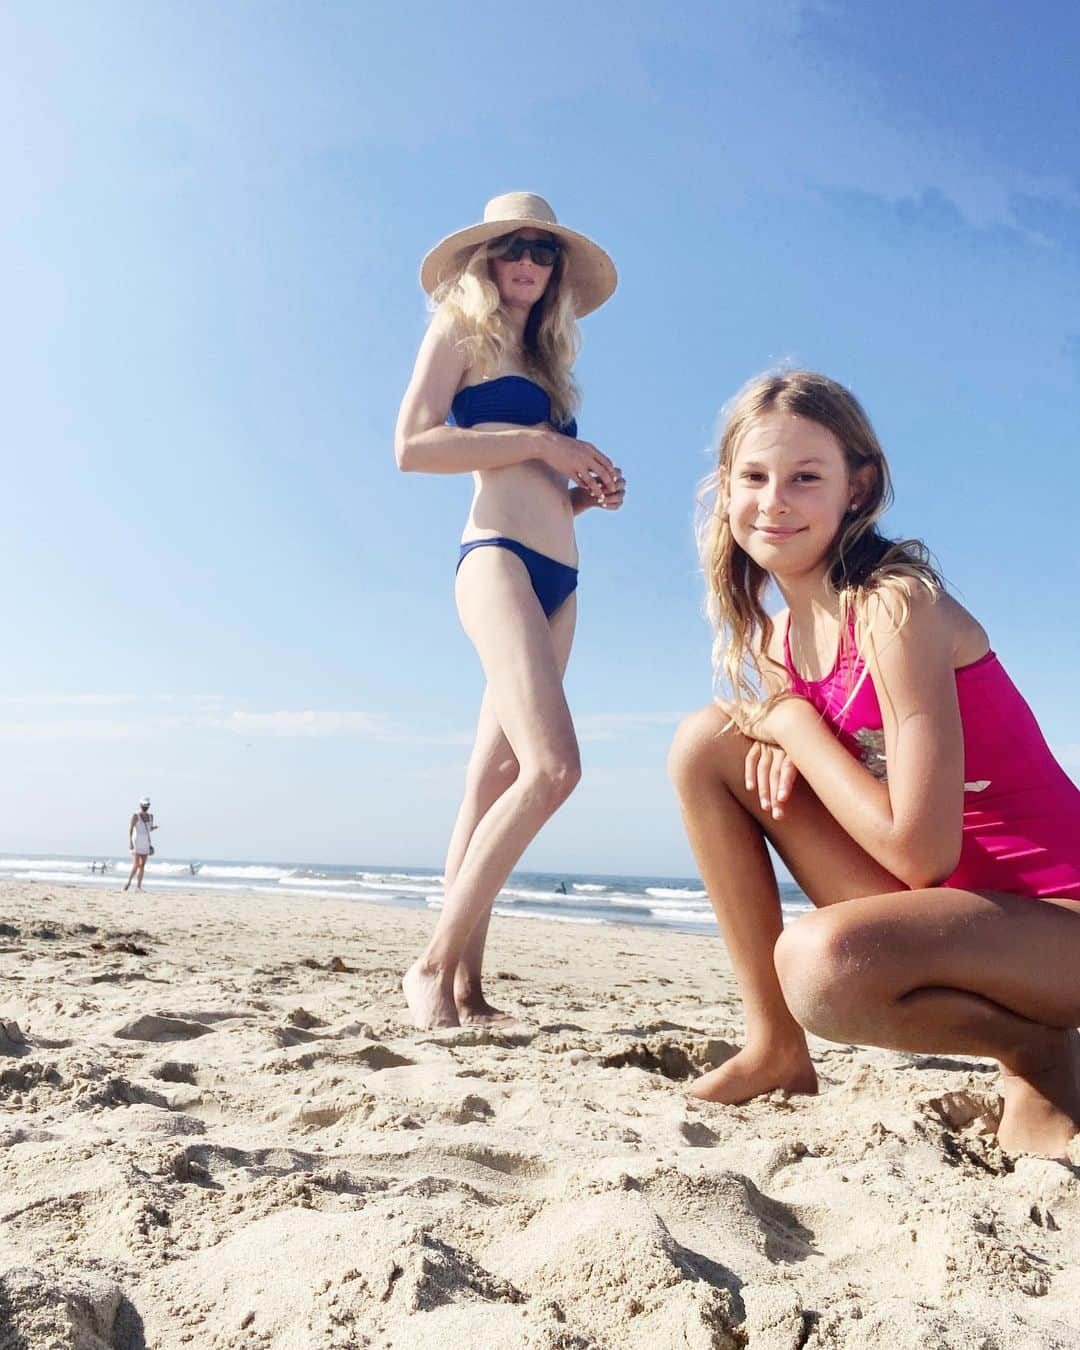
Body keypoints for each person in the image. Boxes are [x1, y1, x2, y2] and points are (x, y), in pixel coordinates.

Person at [668, 370, 1080, 1158]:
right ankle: (774, 1047)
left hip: (1058, 921)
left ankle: (1037, 1053)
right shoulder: (774, 639)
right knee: (707, 742)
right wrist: (785, 732)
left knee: (824, 962)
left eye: (806, 478)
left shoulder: (896, 606)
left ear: (857, 489)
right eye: (753, 477)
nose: (774, 500)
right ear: (725, 490)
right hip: (957, 916)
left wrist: (794, 727)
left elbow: (923, 854)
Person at [395, 192, 625, 1028]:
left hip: (559, 574)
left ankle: (467, 988)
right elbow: (412, 446)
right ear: (486, 260)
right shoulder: (460, 331)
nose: (528, 260)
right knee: (553, 769)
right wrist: (540, 441)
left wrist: (581, 495)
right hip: (494, 561)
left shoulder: (547, 362)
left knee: (491, 780)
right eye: (512, 247)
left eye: (543, 250)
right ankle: (428, 966)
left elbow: (540, 478)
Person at [123, 797, 157, 892]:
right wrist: (130, 842)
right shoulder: (135, 816)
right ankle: (128, 882)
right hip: (137, 842)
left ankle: (138, 887)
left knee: (142, 866)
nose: (145, 807)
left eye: (146, 806)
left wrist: (154, 828)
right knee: (136, 864)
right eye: (143, 806)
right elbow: (131, 829)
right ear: (140, 805)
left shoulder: (151, 816)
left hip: (146, 843)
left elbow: (149, 829)